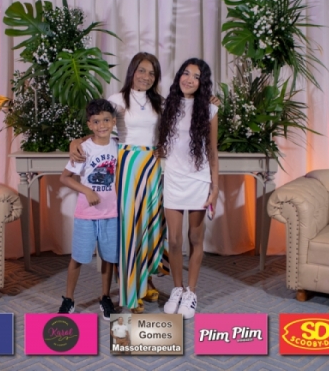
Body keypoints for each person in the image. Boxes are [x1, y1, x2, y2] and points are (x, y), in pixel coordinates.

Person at [70, 52, 167, 314]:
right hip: (127, 165)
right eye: (141, 70)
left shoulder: (159, 102)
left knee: (148, 226)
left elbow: (170, 131)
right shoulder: (117, 100)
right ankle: (131, 291)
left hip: (152, 166)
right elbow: (100, 132)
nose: (146, 76)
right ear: (132, 71)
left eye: (152, 73)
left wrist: (163, 148)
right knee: (130, 229)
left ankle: (146, 282)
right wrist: (76, 141)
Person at [158, 58, 219, 320]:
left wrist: (215, 187)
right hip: (173, 178)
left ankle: (191, 292)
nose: (189, 79)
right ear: (179, 76)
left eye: (196, 76)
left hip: (198, 180)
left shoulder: (210, 109)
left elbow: (213, 151)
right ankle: (177, 289)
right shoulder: (166, 106)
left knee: (195, 238)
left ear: (202, 83)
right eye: (186, 73)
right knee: (173, 240)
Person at [58, 98, 119, 320]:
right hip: (86, 215)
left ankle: (105, 296)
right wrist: (87, 190)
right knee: (78, 257)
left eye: (106, 120)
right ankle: (68, 298)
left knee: (109, 258)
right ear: (89, 125)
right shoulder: (83, 149)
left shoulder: (118, 145)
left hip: (112, 214)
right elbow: (65, 178)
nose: (102, 125)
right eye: (97, 121)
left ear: (113, 121)